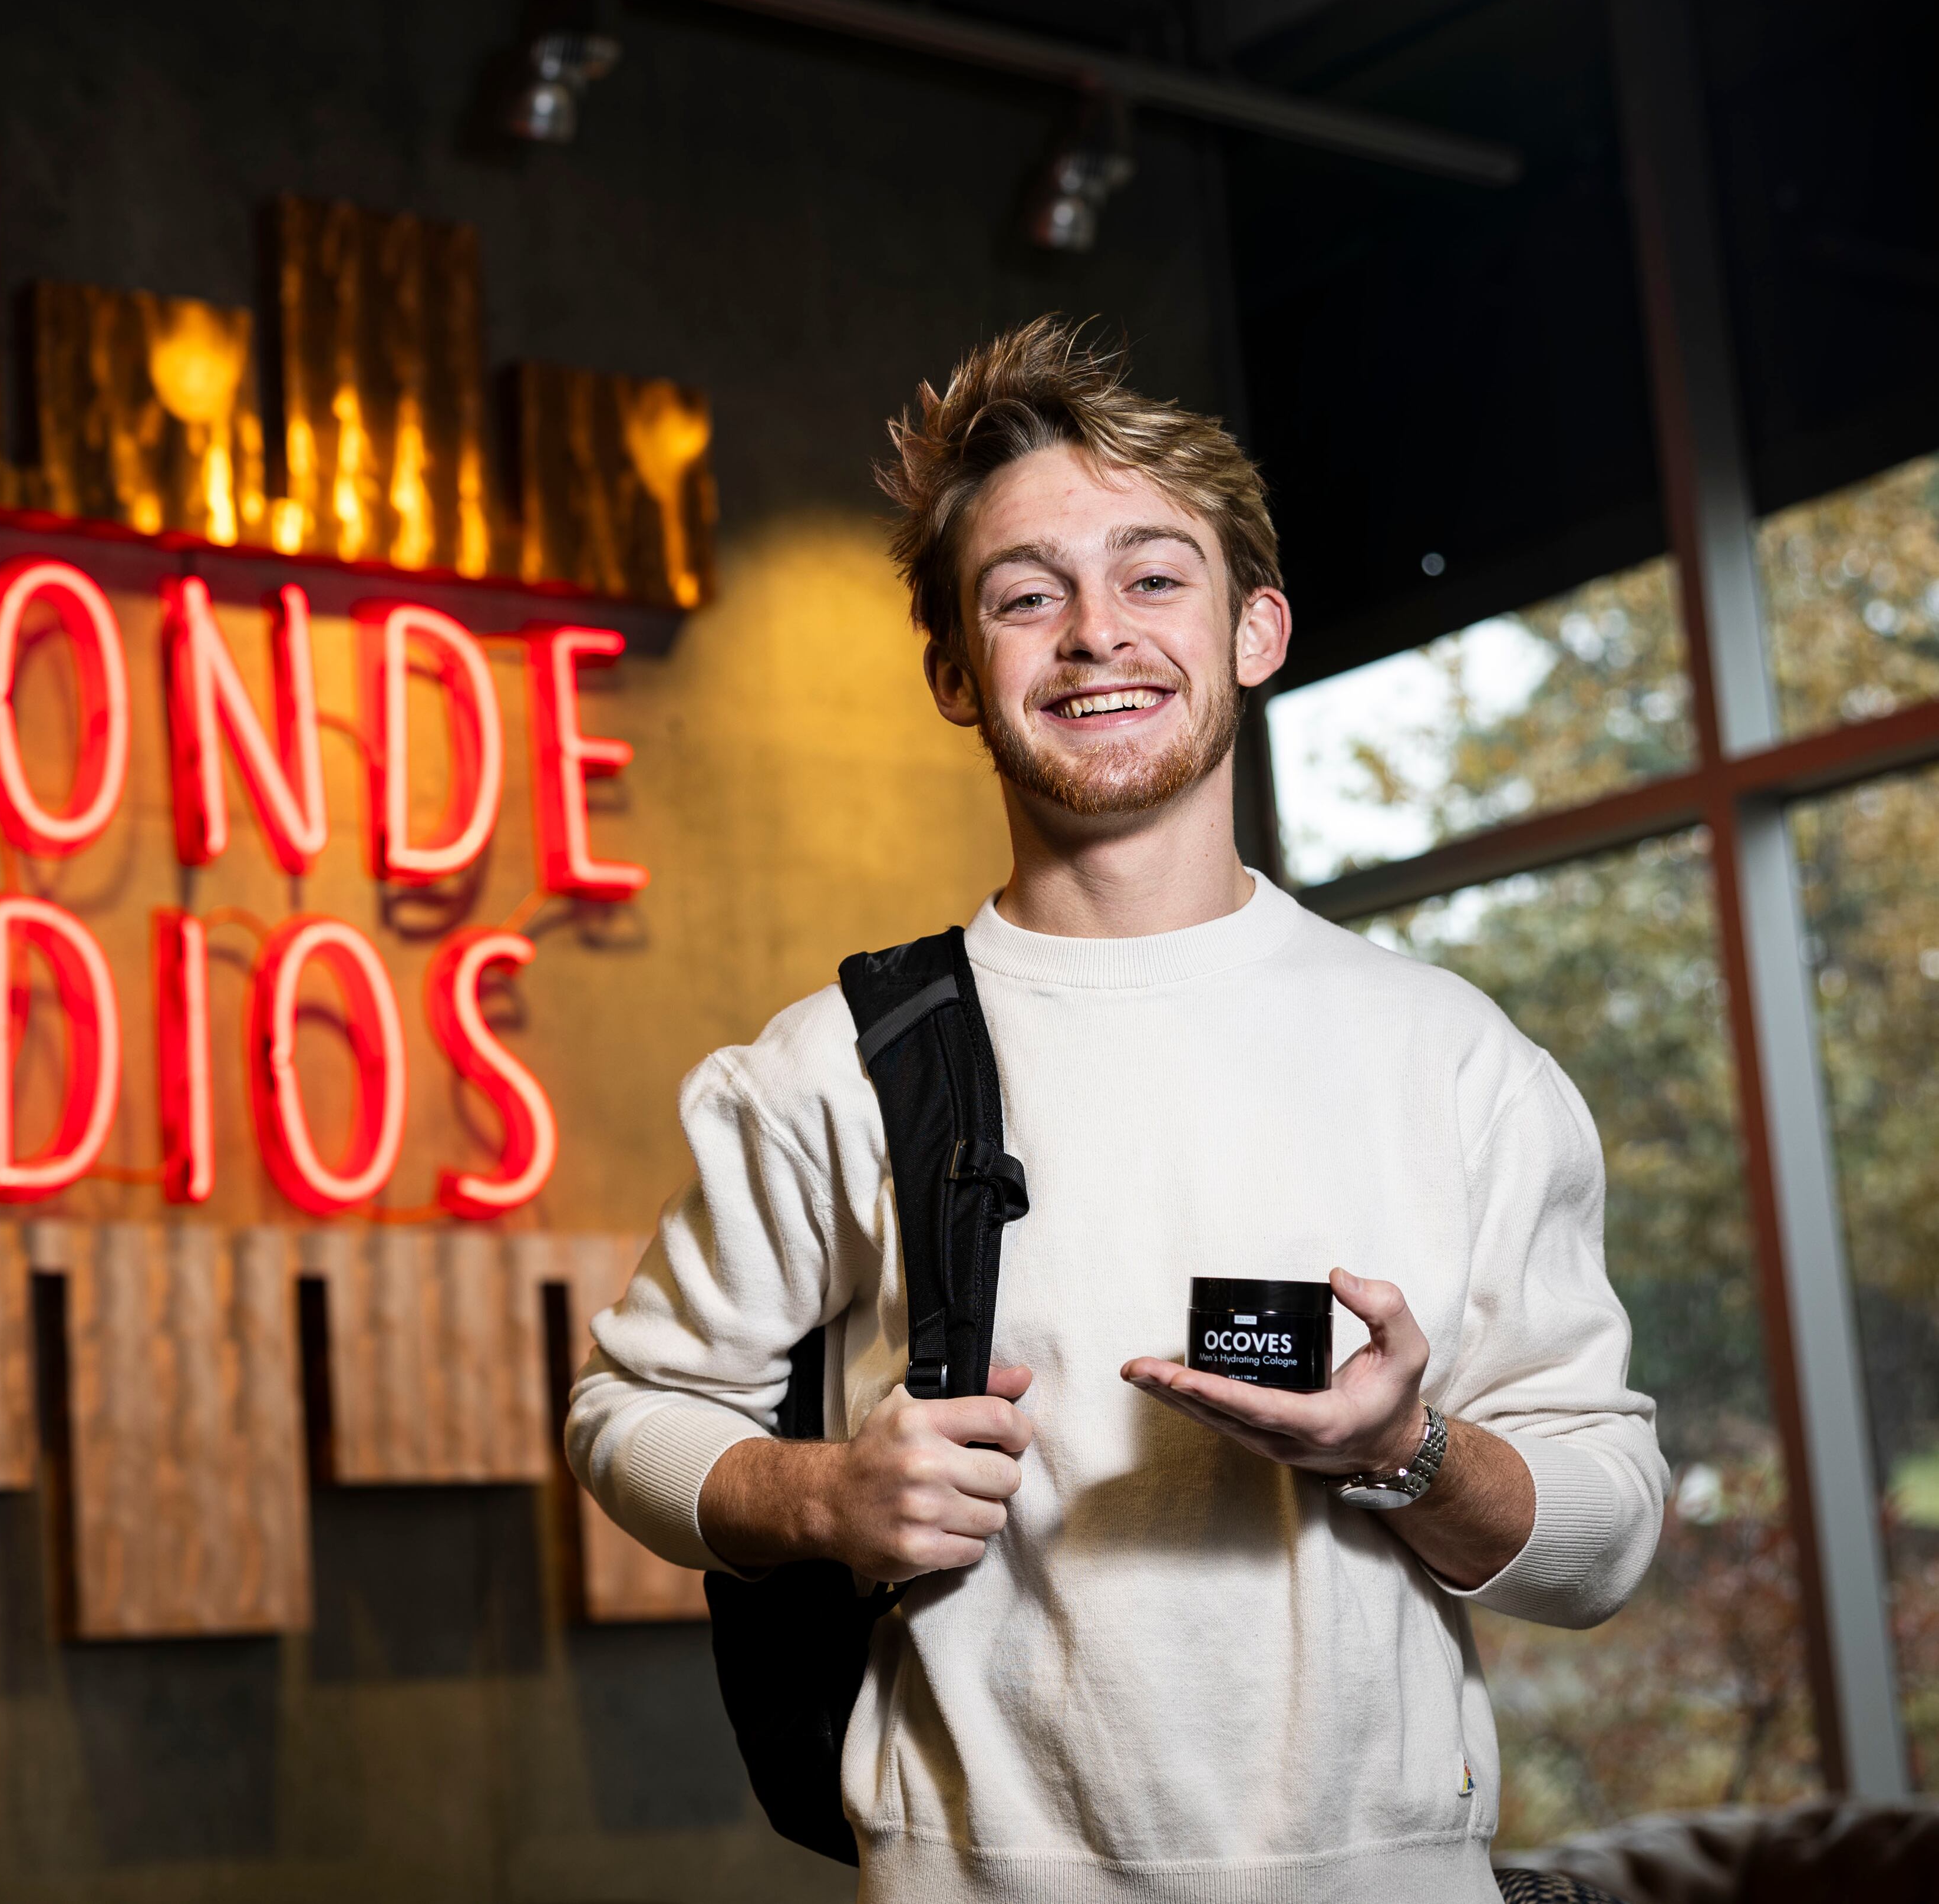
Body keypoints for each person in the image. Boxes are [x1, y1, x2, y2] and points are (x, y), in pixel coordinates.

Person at [566, 316, 1667, 1902]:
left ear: (1256, 631)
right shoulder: (834, 1064)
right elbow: (627, 1417)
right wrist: (823, 1495)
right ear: (958, 672)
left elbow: (1606, 1535)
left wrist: (1410, 1446)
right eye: (1027, 595)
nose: (1096, 635)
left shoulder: (1451, 1058)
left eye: (1154, 578)